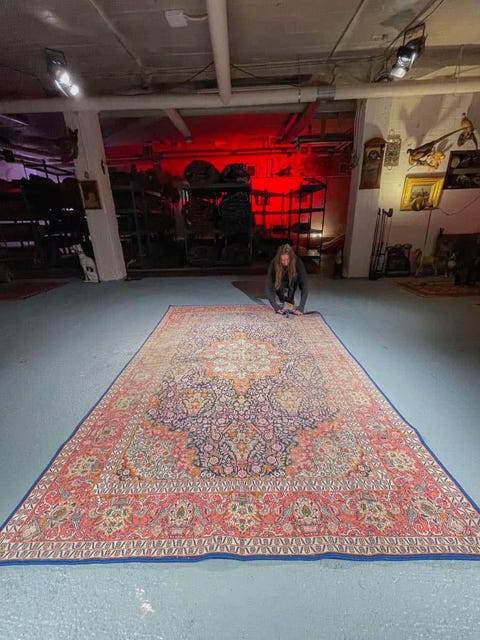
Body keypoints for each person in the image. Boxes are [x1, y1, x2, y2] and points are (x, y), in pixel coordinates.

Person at [266, 243, 308, 315]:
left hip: (292, 280)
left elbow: (304, 285)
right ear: (279, 259)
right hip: (280, 279)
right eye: (283, 260)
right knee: (280, 294)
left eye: (288, 260)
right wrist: (275, 306)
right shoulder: (274, 262)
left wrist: (301, 307)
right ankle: (280, 293)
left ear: (291, 257)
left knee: (290, 297)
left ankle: (291, 296)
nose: (285, 263)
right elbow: (268, 285)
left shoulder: (297, 262)